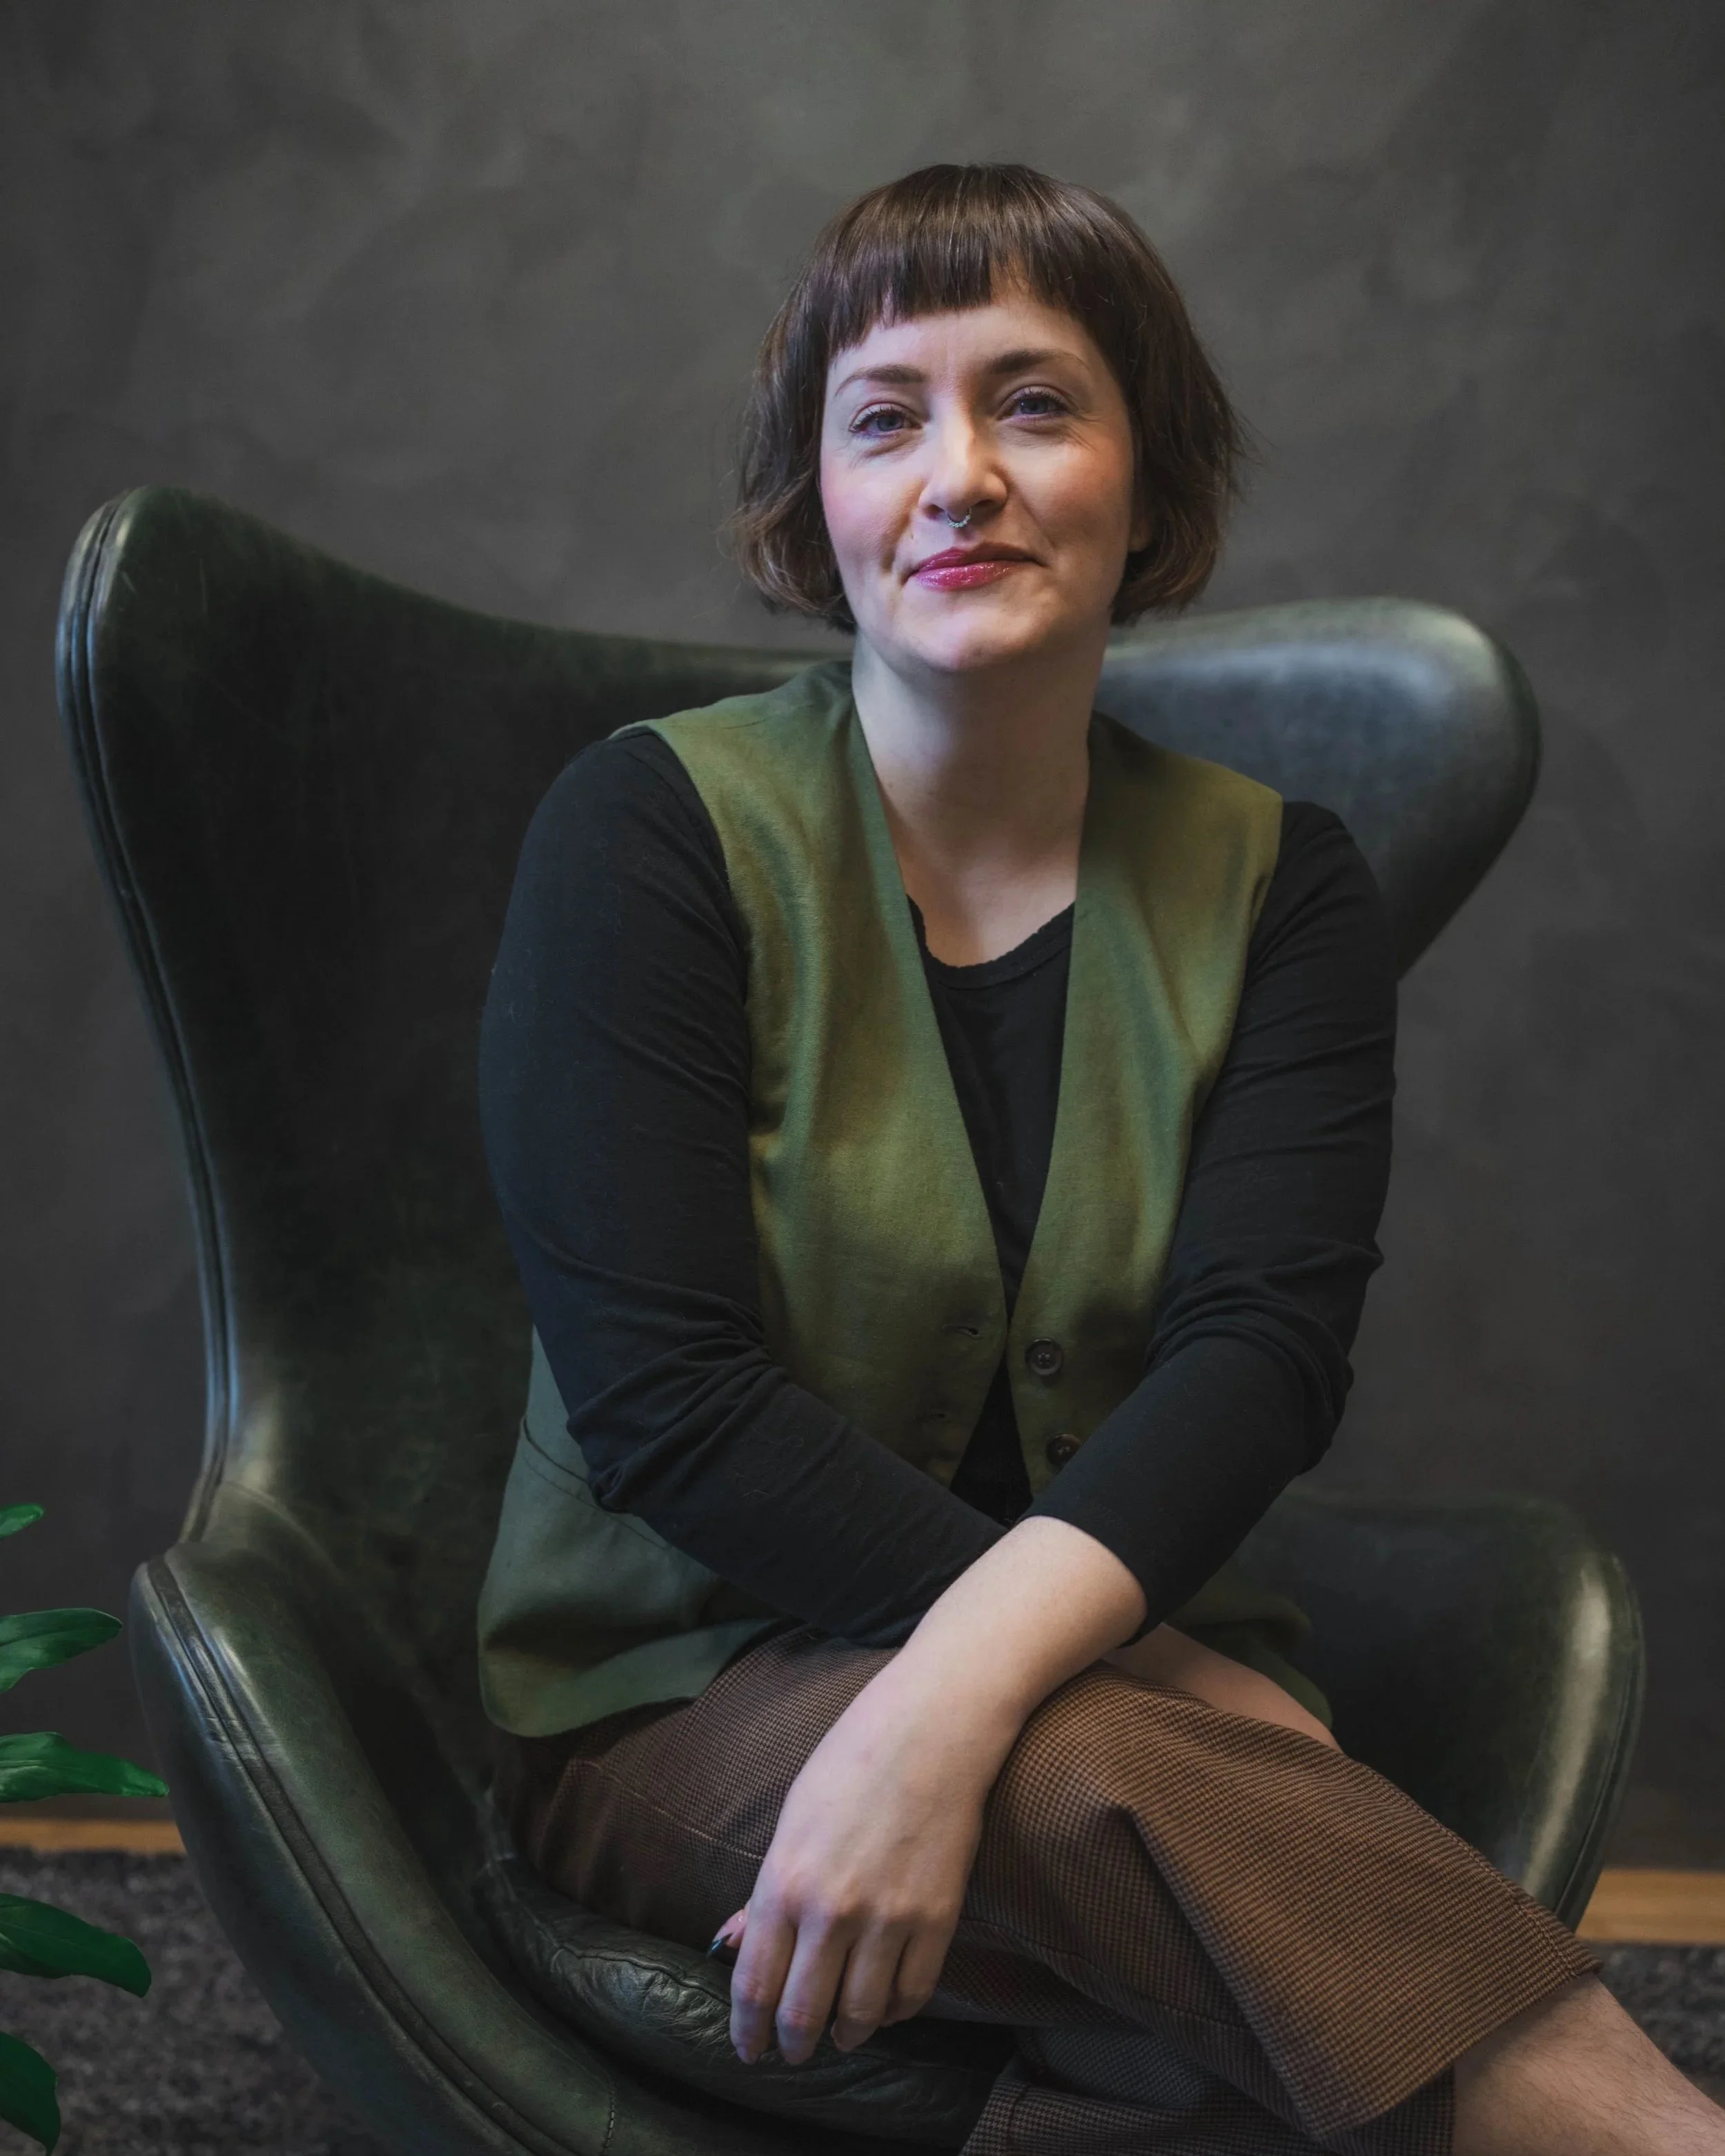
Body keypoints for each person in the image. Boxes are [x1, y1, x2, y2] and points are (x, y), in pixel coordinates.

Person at [475, 164, 1723, 2154]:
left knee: (1184, 2035)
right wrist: (1080, 1672)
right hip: (681, 1684)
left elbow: (1260, 1354)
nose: (955, 473)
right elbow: (669, 1408)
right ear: (817, 507)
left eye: (1032, 403)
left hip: (1121, 1686)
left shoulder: (1275, 879)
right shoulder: (643, 834)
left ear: (1148, 479)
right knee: (1092, 1787)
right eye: (884, 417)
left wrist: (948, 1691)